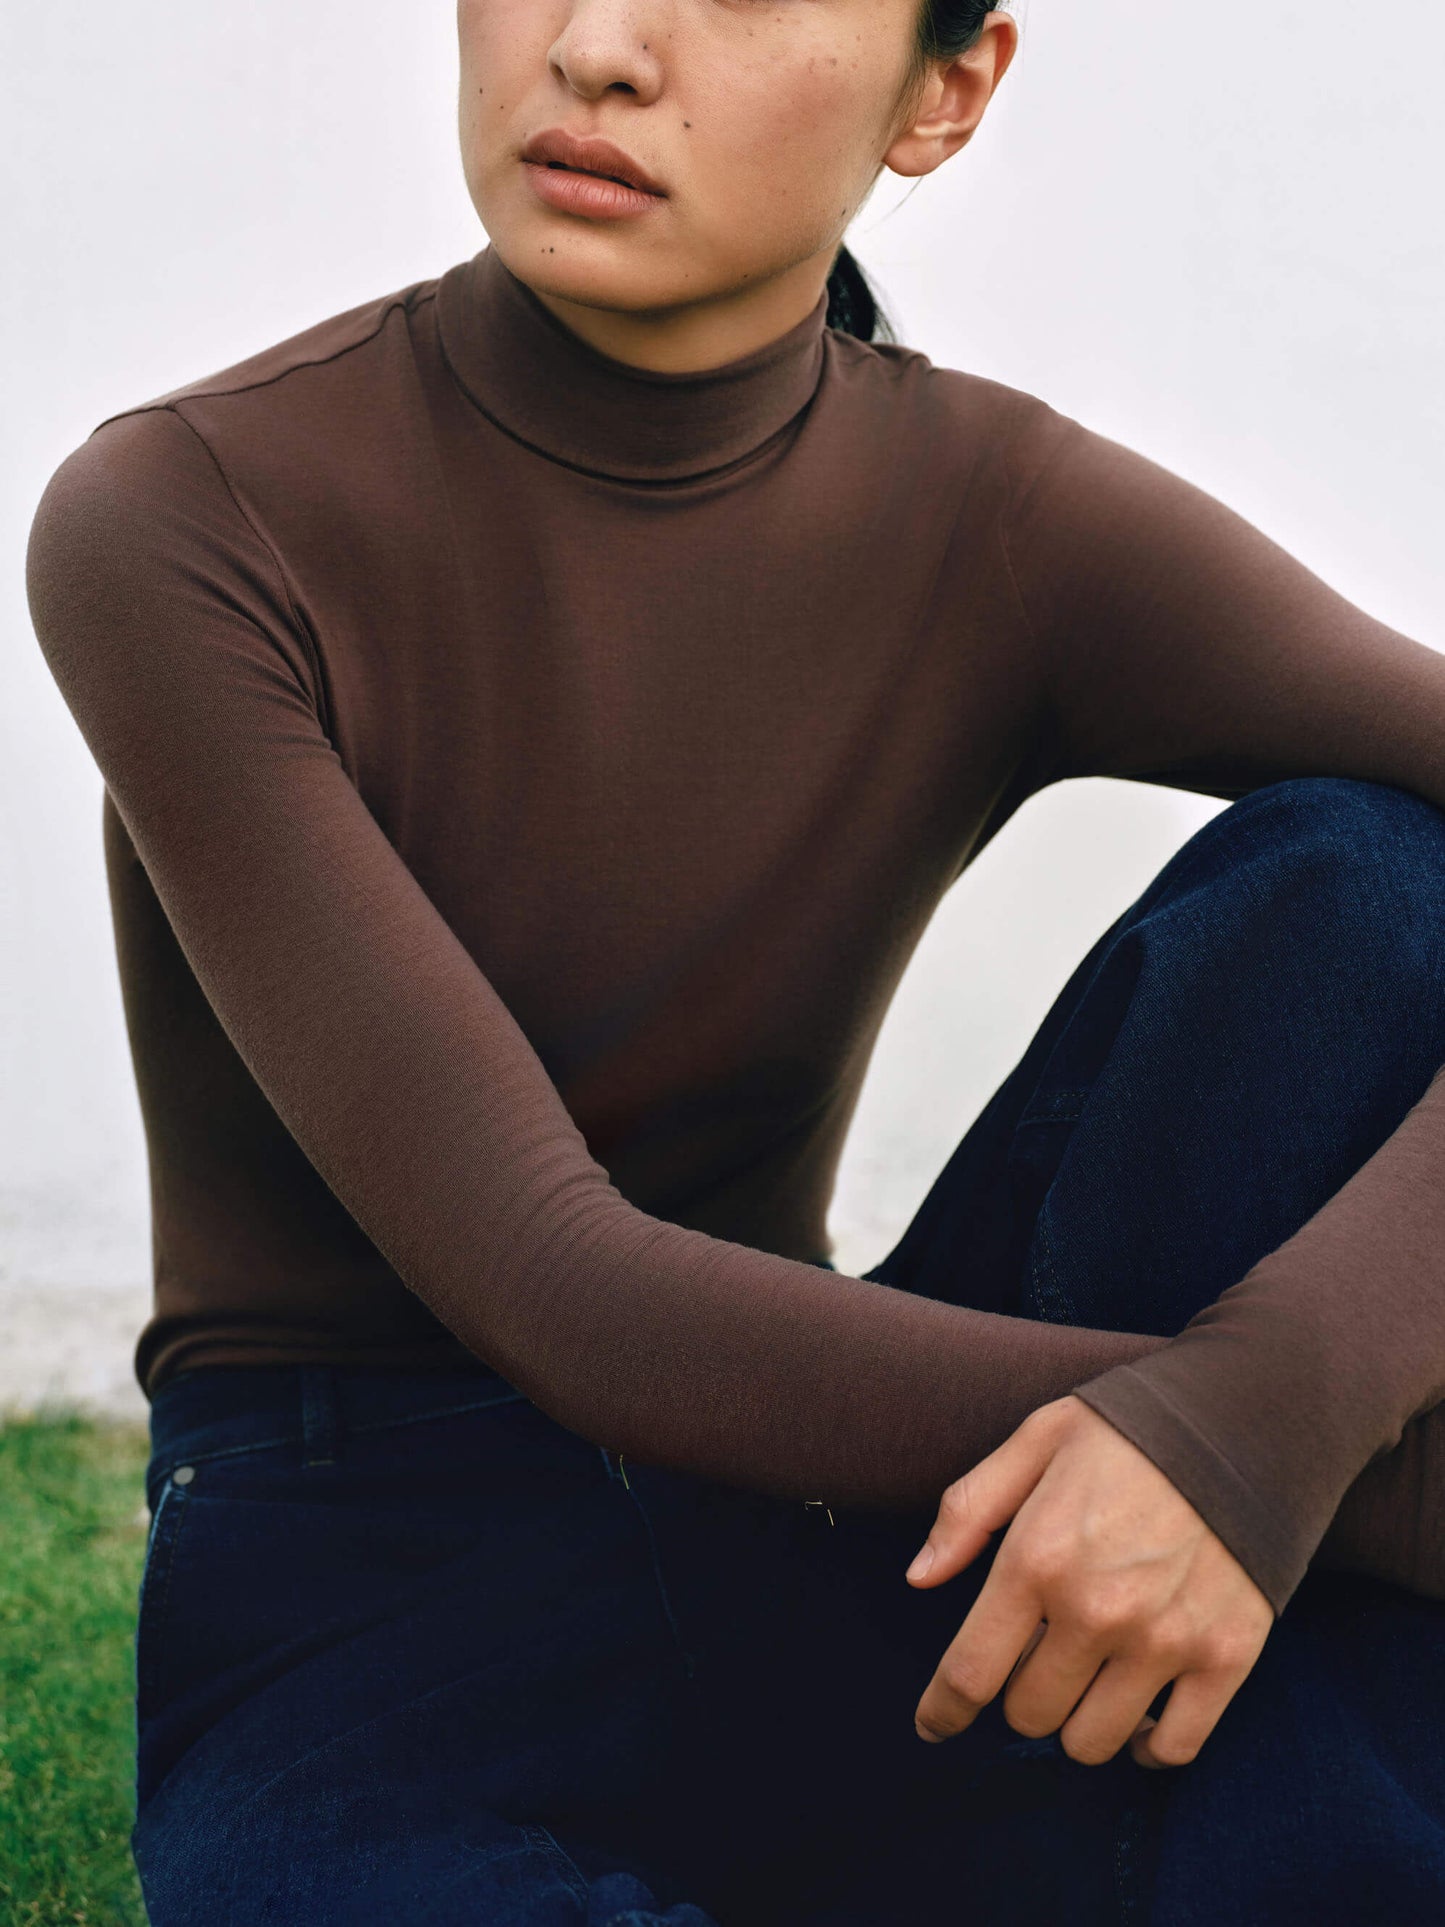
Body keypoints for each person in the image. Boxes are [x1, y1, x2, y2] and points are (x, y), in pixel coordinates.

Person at [24, 0, 1445, 1919]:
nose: (602, 46)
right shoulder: (184, 517)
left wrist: (1266, 1416)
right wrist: (1286, 1475)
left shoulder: (998, 515)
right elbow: (560, 1277)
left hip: (856, 1519)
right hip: (358, 1585)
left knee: (1362, 886)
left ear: (942, 93)